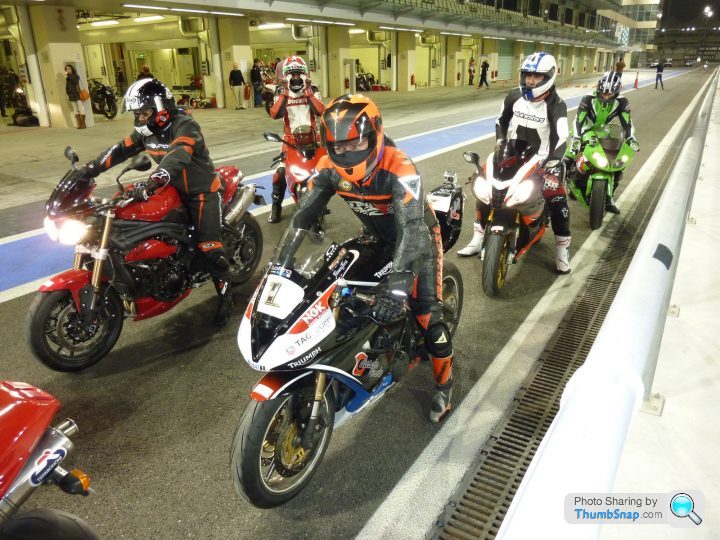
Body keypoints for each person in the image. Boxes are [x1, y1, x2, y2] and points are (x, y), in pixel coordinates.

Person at [288, 93, 455, 423]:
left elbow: (410, 226)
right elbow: (300, 220)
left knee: (426, 316)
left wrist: (397, 289)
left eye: (355, 144)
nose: (346, 152)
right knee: (335, 287)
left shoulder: (400, 167)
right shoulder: (327, 167)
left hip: (419, 237)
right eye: (339, 146)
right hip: (378, 238)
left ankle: (445, 386)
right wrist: (281, 267)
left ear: (375, 134)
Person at [83, 79, 234, 327]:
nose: (141, 118)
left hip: (201, 191)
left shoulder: (185, 124)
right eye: (137, 114)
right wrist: (91, 169)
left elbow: (179, 154)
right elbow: (120, 150)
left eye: (145, 112)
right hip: (169, 188)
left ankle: (226, 298)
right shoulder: (146, 131)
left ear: (161, 107)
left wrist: (155, 178)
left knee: (209, 246)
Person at [459, 52, 572, 274]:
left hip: (541, 160)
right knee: (485, 187)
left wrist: (554, 161)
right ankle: (477, 237)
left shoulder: (556, 104)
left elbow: (561, 137)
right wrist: (501, 142)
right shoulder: (513, 97)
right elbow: (500, 121)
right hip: (512, 155)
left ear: (549, 76)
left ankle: (562, 250)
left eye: (536, 77)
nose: (530, 80)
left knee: (557, 198)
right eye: (527, 75)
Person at [569, 71, 639, 214]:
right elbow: (578, 120)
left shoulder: (622, 102)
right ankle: (563, 189)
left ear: (616, 92)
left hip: (604, 132)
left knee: (618, 164)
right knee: (568, 158)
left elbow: (627, 123)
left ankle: (609, 198)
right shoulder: (587, 99)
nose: (606, 96)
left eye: (610, 94)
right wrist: (576, 138)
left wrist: (631, 138)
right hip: (584, 130)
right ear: (599, 89)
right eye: (603, 92)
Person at [267, 56, 325, 223]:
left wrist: (308, 95)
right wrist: (285, 94)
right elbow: (275, 114)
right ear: (286, 76)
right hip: (290, 140)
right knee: (279, 174)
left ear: (305, 75)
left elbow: (321, 112)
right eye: (292, 75)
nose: (295, 78)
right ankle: (276, 206)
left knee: (324, 171)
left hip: (313, 138)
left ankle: (320, 201)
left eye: (299, 74)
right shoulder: (280, 91)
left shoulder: (312, 89)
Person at [64, 64, 86, 129]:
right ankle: (80, 124)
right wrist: (67, 94)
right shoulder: (67, 78)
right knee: (75, 110)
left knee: (80, 108)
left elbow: (75, 82)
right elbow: (67, 87)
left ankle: (83, 124)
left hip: (77, 94)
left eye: (69, 69)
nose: (68, 70)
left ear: (72, 69)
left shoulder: (76, 76)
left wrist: (70, 75)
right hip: (71, 95)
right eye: (66, 69)